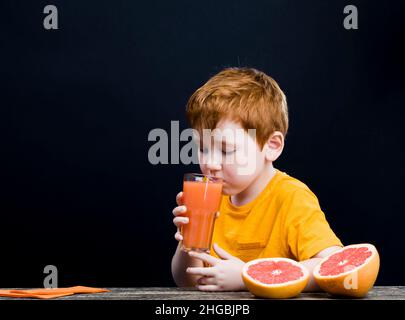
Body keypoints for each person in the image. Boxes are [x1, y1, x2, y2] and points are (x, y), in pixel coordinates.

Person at [171, 67, 343, 292]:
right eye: (203, 148)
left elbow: (334, 266)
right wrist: (187, 243)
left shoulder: (291, 198)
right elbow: (188, 282)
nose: (210, 163)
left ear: (271, 147)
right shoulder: (211, 199)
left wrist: (248, 276)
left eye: (226, 150)